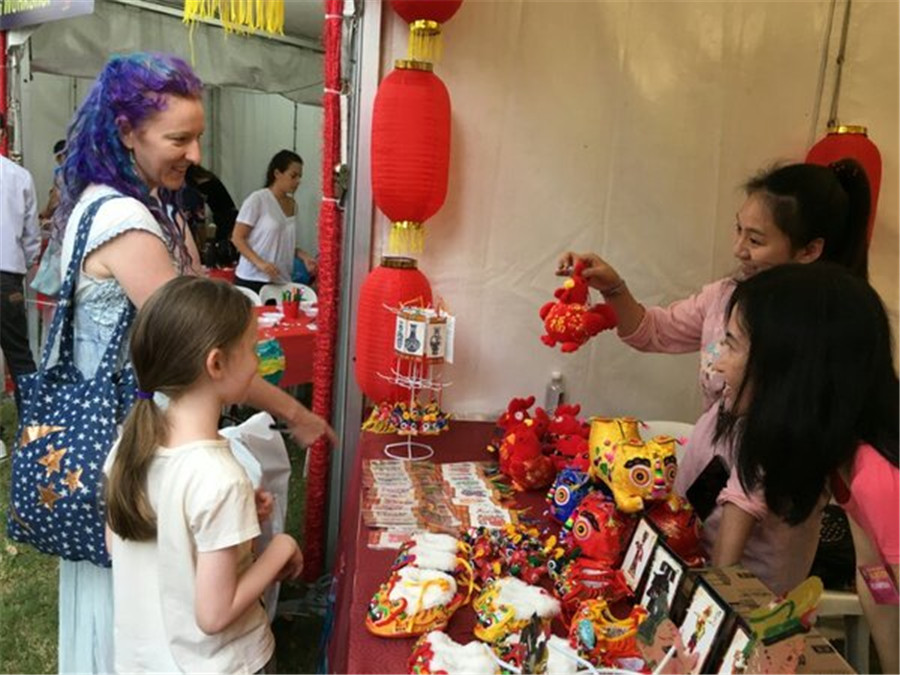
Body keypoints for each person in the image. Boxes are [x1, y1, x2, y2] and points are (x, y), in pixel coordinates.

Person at [49, 52, 335, 674]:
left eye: (198, 135)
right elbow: (198, 340)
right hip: (142, 449)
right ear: (127, 132)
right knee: (161, 607)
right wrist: (294, 412)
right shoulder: (126, 219)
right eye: (179, 137)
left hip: (145, 452)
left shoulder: (152, 207)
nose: (196, 153)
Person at [559, 159, 870, 594]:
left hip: (752, 567)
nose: (739, 249)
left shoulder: (814, 337)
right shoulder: (727, 296)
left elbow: (755, 485)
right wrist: (613, 289)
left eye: (756, 239)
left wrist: (715, 590)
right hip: (697, 518)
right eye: (738, 230)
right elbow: (655, 329)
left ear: (808, 250)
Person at [104, 276, 303, 673]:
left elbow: (121, 544)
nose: (257, 360)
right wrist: (282, 546)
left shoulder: (130, 444)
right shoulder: (219, 477)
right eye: (251, 348)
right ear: (216, 363)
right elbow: (214, 614)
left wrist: (240, 521)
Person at [715, 263, 898, 672]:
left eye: (731, 344)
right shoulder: (843, 459)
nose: (717, 363)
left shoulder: (880, 478)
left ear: (791, 369)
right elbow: (877, 581)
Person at [232, 149, 318, 293]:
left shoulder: (292, 204)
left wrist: (303, 256)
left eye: (299, 177)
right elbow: (237, 238)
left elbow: (282, 242)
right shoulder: (258, 200)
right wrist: (260, 263)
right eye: (293, 176)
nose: (297, 181)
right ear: (277, 174)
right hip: (253, 278)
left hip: (281, 279)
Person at [0, 112, 40, 410]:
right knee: (19, 356)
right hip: (7, 276)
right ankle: (33, 429)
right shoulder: (19, 176)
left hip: (9, 272)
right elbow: (32, 238)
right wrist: (20, 266)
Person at [38, 139, 67, 224]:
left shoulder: (62, 173)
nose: (57, 161)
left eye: (58, 158)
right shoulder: (86, 169)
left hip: (64, 223)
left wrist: (42, 216)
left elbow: (54, 201)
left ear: (61, 156)